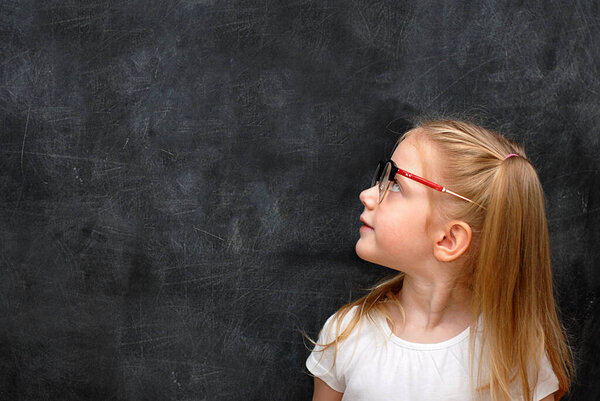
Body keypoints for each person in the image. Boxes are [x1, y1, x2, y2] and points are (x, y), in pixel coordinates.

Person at [305, 119, 573, 401]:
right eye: (383, 177)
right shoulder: (346, 333)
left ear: (449, 240)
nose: (368, 195)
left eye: (395, 185)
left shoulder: (516, 355)